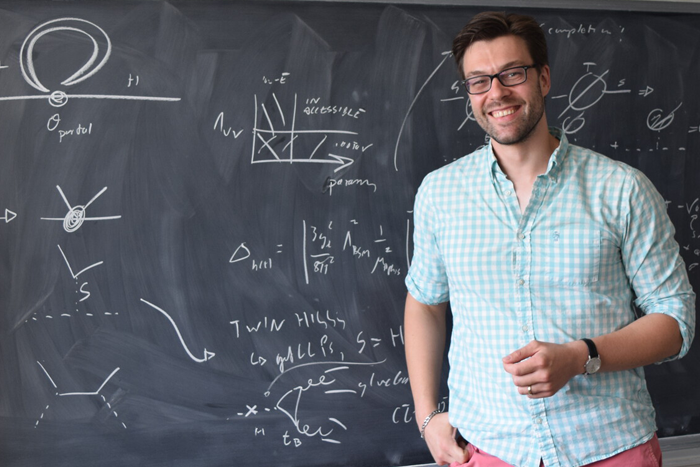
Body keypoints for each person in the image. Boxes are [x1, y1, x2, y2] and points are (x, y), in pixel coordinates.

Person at [404, 11, 696, 467]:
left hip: (610, 444)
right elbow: (424, 302)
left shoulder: (621, 188)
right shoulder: (440, 194)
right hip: (488, 447)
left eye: (511, 74)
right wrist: (427, 418)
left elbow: (676, 320)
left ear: (542, 78)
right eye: (479, 81)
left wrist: (583, 356)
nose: (496, 93)